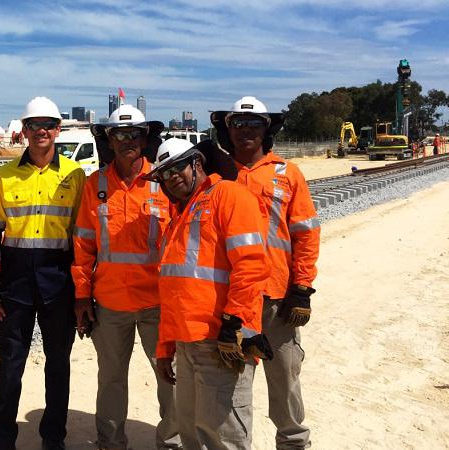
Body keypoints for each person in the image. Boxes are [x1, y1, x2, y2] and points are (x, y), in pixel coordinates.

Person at [211, 96, 321, 450]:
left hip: (277, 301)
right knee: (232, 388)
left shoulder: (287, 174)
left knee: (285, 380)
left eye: (254, 124)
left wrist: (302, 287)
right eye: (238, 124)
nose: (245, 131)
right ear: (226, 129)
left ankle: (292, 443)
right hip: (231, 303)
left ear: (266, 129)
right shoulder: (215, 176)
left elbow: (305, 232)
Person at [149, 138, 270, 450]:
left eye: (177, 168)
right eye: (164, 174)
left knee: (224, 435)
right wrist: (165, 348)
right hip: (186, 343)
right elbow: (173, 289)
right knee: (192, 431)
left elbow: (251, 265)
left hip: (220, 341)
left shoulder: (229, 196)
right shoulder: (180, 215)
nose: (171, 177)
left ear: (197, 163)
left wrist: (234, 324)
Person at [0, 96, 86, 450]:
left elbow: (83, 236)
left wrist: (85, 290)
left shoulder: (75, 174)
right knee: (11, 364)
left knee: (58, 363)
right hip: (16, 281)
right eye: (33, 125)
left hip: (59, 280)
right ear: (23, 131)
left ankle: (53, 437)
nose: (41, 131)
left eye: (48, 125)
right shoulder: (4, 175)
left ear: (58, 130)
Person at [72, 105, 180, 450]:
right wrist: (81, 297)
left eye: (135, 133)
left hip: (158, 303)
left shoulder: (165, 179)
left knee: (170, 378)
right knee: (111, 380)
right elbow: (83, 246)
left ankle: (173, 441)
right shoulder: (96, 185)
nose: (127, 141)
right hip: (110, 303)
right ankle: (111, 442)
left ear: (146, 137)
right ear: (109, 140)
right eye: (119, 134)